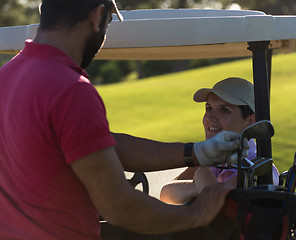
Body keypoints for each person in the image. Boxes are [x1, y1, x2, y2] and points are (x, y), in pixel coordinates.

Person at [0, 1, 243, 239]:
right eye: (109, 22)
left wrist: (196, 152)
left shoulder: (7, 75)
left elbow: (104, 146)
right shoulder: (70, 89)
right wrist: (197, 215)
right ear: (97, 16)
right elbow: (119, 206)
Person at [160, 77, 280, 205]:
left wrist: (202, 181)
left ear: (250, 121)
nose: (210, 117)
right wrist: (198, 186)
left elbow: (222, 199)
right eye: (209, 108)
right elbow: (166, 194)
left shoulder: (260, 168)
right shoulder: (209, 158)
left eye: (224, 110)